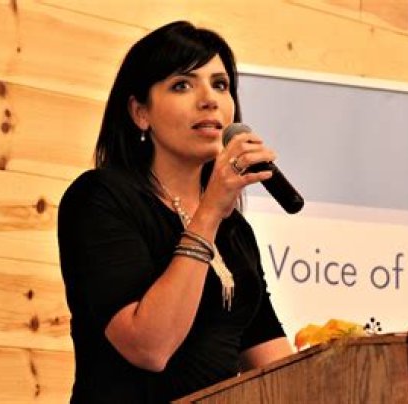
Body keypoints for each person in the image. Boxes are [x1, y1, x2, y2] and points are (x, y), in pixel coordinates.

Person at [57, 20, 293, 403]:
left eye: (220, 85)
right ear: (140, 113)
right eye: (183, 85)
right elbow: (149, 348)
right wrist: (209, 212)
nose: (209, 99)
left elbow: (275, 366)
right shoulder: (99, 198)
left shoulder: (235, 231)